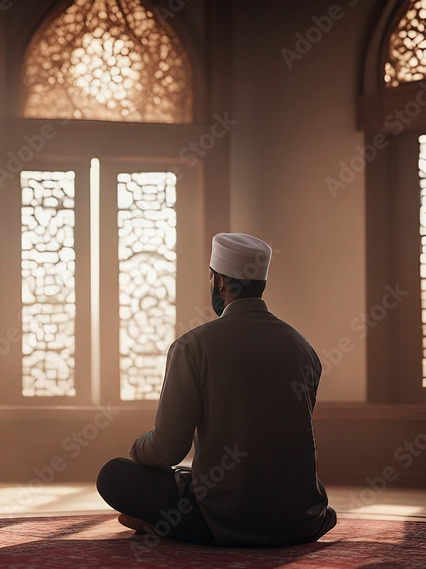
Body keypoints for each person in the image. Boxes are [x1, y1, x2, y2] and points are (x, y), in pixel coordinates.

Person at [96, 232, 336, 547]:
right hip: (300, 518)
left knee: (113, 475)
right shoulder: (303, 348)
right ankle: (169, 523)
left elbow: (167, 450)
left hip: (226, 513)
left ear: (219, 282)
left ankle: (175, 526)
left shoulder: (192, 346)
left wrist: (137, 448)